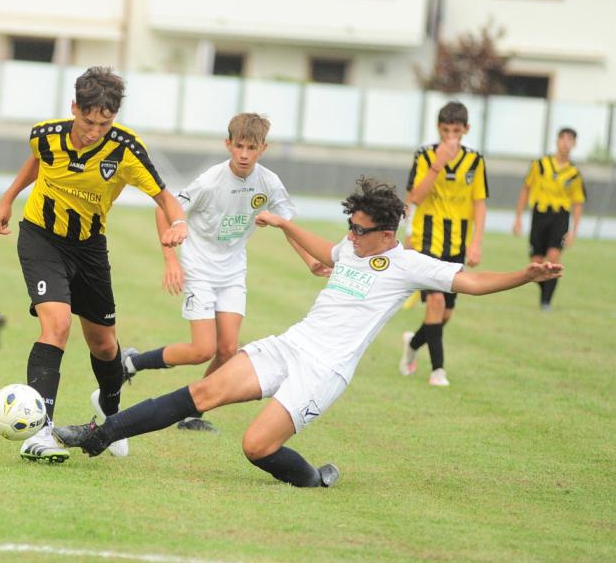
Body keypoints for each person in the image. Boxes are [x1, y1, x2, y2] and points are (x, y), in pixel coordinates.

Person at [54, 178, 562, 487]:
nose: (350, 235)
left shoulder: (409, 265)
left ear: (386, 234)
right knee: (203, 393)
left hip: (324, 370)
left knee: (256, 446)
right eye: (350, 227)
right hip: (290, 345)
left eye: (359, 229)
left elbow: (471, 282)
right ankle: (99, 436)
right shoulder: (352, 249)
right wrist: (283, 225)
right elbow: (326, 251)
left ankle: (315, 479)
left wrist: (525, 275)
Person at [0, 66, 187, 464]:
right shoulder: (46, 135)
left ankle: (111, 415)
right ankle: (41, 431)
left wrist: (178, 223)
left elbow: (165, 197)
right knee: (57, 325)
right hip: (42, 238)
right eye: (88, 121)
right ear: (74, 108)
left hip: (90, 249)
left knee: (104, 344)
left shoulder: (126, 149)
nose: (95, 131)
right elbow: (37, 161)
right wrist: (8, 198)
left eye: (104, 123)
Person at [122, 112, 328, 432]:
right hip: (199, 267)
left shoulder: (269, 182)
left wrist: (309, 260)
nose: (244, 154)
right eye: (240, 146)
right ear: (228, 144)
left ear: (263, 148)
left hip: (232, 271)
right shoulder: (210, 181)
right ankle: (133, 361)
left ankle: (192, 414)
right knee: (202, 350)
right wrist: (171, 261)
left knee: (228, 350)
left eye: (252, 148)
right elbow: (164, 210)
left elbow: (286, 224)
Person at [399, 102, 488, 387]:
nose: (451, 137)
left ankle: (413, 343)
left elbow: (479, 203)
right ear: (438, 129)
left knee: (444, 313)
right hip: (426, 240)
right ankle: (438, 371)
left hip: (456, 244)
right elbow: (415, 197)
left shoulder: (475, 161)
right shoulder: (425, 155)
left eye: (456, 131)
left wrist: (476, 242)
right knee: (435, 301)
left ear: (466, 130)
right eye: (446, 131)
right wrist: (438, 164)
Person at [512, 127, 585, 310]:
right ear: (557, 141)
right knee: (535, 264)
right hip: (540, 215)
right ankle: (545, 293)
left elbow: (578, 203)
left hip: (560, 217)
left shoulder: (574, 173)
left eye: (570, 140)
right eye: (563, 139)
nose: (565, 143)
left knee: (553, 259)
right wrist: (518, 217)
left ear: (574, 144)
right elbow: (526, 189)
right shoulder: (540, 164)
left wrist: (574, 231)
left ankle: (546, 303)